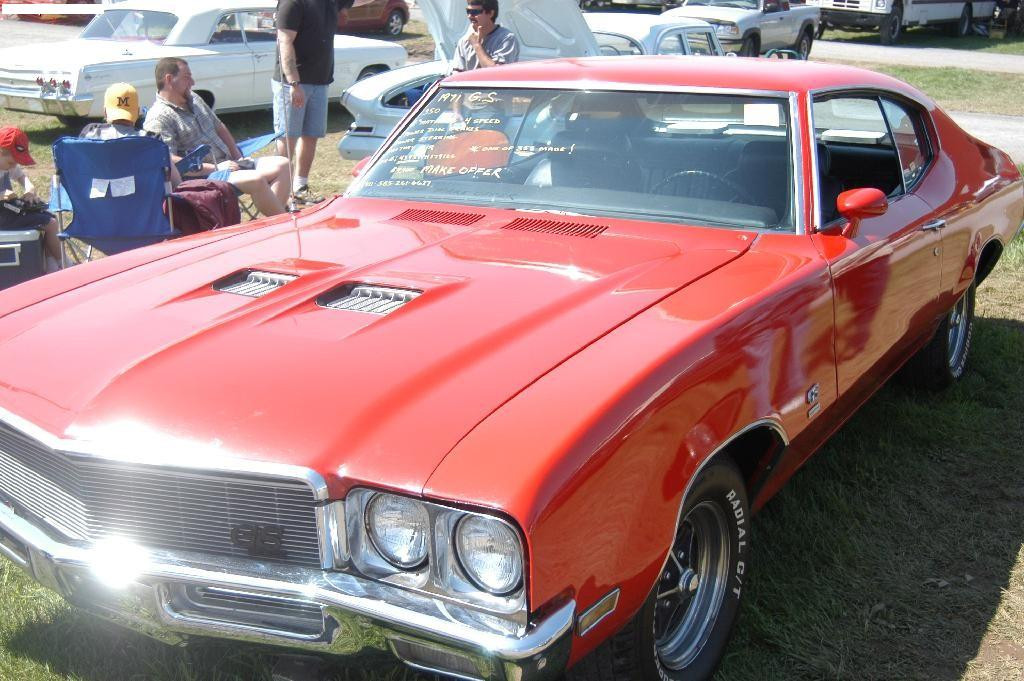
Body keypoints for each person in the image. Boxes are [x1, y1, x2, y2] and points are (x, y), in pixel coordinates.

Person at [144, 57, 291, 217]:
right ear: (169, 79)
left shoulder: (194, 98)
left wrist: (238, 156)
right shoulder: (158, 117)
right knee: (255, 179)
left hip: (230, 164)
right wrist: (216, 168)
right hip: (205, 176)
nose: (192, 82)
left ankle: (271, 224)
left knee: (284, 165)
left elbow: (219, 127)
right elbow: (168, 160)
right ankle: (281, 223)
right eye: (187, 77)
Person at [273, 0, 350, 204]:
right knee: (288, 138)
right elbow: (285, 41)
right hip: (294, 83)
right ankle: (276, 191)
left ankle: (300, 186)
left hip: (320, 81)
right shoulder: (293, 3)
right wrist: (293, 82)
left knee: (311, 136)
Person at [80, 82, 183, 188]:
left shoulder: (89, 134)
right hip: (143, 203)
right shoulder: (152, 142)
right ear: (137, 112)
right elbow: (176, 183)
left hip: (94, 204)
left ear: (105, 112)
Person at [0, 126, 61, 272]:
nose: (13, 166)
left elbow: (21, 176)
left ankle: (50, 264)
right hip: (2, 218)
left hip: (6, 211)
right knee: (50, 223)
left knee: (49, 217)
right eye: (11, 163)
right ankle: (63, 263)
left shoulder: (6, 162)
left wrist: (29, 188)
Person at [452, 0, 519, 72]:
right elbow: (456, 75)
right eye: (468, 11)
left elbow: (497, 73)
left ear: (490, 13)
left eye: (475, 12)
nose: (470, 16)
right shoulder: (464, 41)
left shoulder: (507, 39)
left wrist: (476, 45)